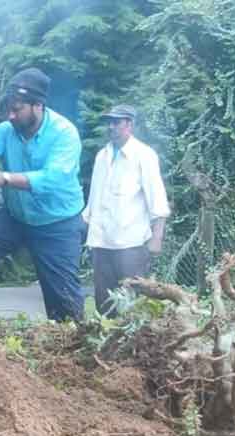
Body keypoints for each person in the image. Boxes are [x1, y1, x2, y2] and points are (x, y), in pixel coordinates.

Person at [0, 67, 85, 321]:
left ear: (38, 105)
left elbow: (52, 179)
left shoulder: (64, 134)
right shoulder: (5, 130)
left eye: (17, 109)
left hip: (57, 224)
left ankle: (74, 350)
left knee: (64, 302)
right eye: (8, 108)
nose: (10, 115)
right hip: (15, 216)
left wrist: (5, 178)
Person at [83, 104, 171, 317]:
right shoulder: (102, 156)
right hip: (101, 240)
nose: (111, 127)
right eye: (109, 123)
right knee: (104, 303)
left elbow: (157, 199)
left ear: (129, 125)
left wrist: (156, 237)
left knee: (131, 302)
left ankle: (132, 347)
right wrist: (86, 228)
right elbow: (94, 198)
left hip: (129, 242)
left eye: (117, 122)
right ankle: (106, 347)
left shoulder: (144, 155)